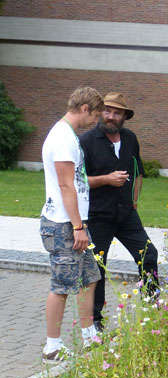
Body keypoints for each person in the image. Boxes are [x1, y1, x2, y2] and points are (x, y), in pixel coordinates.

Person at [80, 92, 158, 331]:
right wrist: (106, 179)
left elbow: (138, 171)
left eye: (117, 112)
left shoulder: (130, 138)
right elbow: (78, 181)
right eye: (107, 110)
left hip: (126, 215)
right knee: (97, 268)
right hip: (98, 215)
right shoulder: (86, 141)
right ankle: (95, 321)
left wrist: (134, 201)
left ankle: (152, 306)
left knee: (149, 254)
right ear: (100, 112)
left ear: (124, 116)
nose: (111, 116)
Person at [40, 86, 104, 364]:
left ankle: (89, 335)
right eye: (97, 115)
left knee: (89, 279)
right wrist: (78, 227)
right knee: (62, 286)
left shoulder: (67, 135)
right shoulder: (64, 138)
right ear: (85, 108)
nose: (97, 122)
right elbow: (66, 184)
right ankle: (52, 348)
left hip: (73, 223)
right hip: (64, 225)